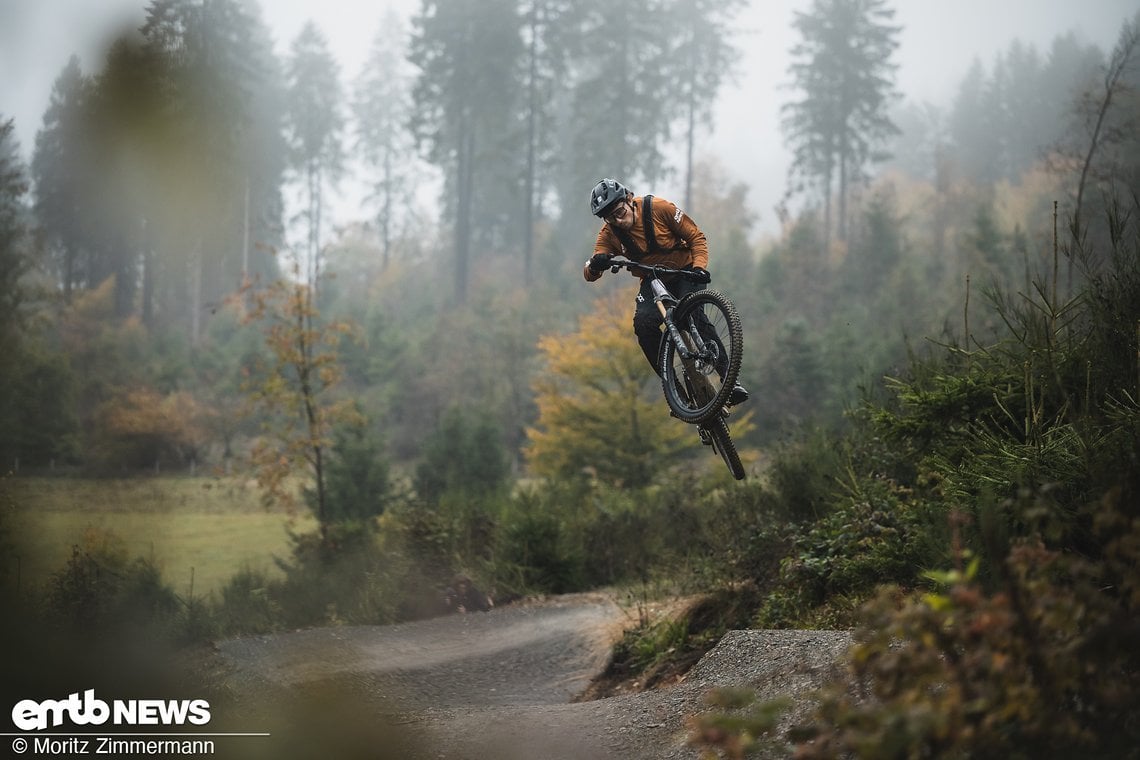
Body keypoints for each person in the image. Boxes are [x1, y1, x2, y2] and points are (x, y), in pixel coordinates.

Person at [583, 177, 748, 406]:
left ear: (629, 200)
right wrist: (595, 265)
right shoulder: (609, 233)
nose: (618, 221)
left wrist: (699, 267)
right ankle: (673, 385)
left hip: (686, 270)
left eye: (620, 212)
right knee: (643, 325)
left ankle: (730, 380)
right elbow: (590, 273)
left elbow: (696, 237)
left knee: (694, 315)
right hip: (653, 279)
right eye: (610, 218)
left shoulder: (659, 209)